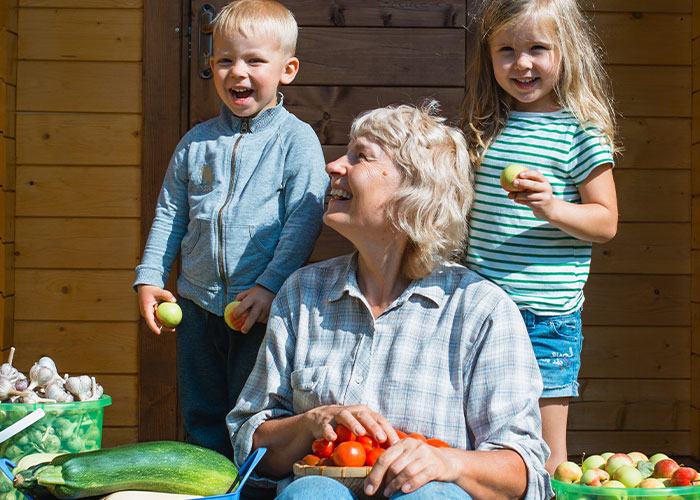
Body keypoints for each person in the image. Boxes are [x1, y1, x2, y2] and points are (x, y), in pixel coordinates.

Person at [227, 102, 553, 500]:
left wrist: (449, 463)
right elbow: (250, 445)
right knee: (312, 491)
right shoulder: (302, 294)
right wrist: (311, 423)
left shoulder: (481, 310)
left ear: (414, 190)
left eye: (359, 156)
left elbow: (523, 471)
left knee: (429, 495)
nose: (333, 166)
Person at [133, 0, 328, 462]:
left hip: (257, 309)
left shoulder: (296, 141)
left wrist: (269, 286)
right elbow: (169, 215)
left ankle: (251, 485)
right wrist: (149, 277)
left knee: (253, 411)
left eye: (254, 60)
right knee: (201, 412)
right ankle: (204, 485)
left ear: (288, 69)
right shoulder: (196, 142)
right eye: (224, 60)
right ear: (211, 66)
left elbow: (304, 221)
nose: (237, 72)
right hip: (197, 305)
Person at [461, 0, 619, 474]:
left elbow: (606, 220)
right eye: (506, 50)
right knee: (479, 439)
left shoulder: (580, 133)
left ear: (565, 51)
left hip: (544, 317)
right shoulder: (483, 128)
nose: (522, 63)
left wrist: (551, 207)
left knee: (547, 452)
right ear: (488, 58)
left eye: (537, 48)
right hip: (479, 309)